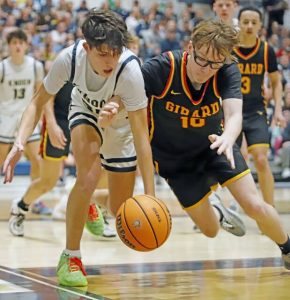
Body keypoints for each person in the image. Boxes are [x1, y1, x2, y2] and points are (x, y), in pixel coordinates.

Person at [100, 19, 290, 270]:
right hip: (174, 161)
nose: (206, 68)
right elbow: (127, 94)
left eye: (214, 63)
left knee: (254, 204)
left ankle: (286, 249)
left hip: (215, 147)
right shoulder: (162, 67)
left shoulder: (227, 69)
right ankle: (218, 210)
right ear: (190, 47)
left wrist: (228, 138)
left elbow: (234, 115)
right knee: (210, 231)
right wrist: (113, 106)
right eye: (201, 59)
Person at [3, 9, 155, 287]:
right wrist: (19, 143)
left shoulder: (131, 71)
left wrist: (151, 196)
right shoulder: (69, 58)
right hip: (85, 110)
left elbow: (142, 137)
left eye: (116, 52)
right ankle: (71, 256)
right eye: (103, 53)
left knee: (121, 208)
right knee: (87, 177)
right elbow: (38, 102)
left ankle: (89, 204)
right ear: (87, 47)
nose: (111, 60)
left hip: (121, 127)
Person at [233, 6, 285, 206]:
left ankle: (269, 210)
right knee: (234, 161)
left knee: (261, 160)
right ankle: (233, 205)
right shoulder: (229, 49)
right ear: (239, 23)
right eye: (245, 21)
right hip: (231, 111)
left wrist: (278, 110)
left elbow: (276, 82)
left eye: (253, 22)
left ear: (260, 26)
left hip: (255, 111)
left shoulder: (266, 50)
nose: (249, 26)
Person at [0, 29, 44, 180]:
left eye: (21, 42)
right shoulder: (2, 67)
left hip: (27, 116)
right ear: (9, 46)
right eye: (14, 43)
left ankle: (31, 200)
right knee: (1, 159)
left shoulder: (35, 66)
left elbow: (40, 95)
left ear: (26, 45)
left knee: (37, 160)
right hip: (6, 116)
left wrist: (42, 117)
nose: (17, 46)